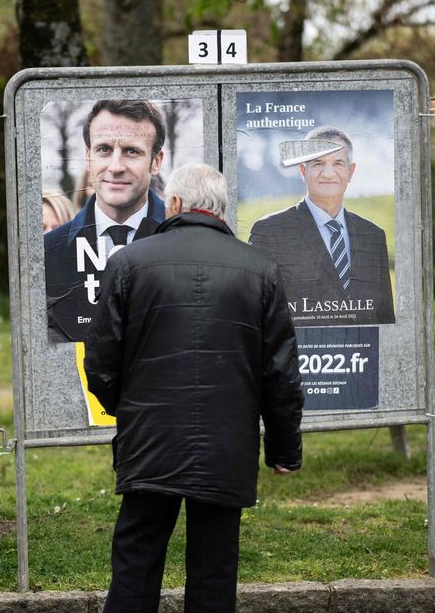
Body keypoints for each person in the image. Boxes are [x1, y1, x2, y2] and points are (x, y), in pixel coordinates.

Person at [84, 163, 304, 613]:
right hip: (227, 444)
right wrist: (284, 450)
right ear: (222, 210)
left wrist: (127, 410)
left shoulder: (128, 263)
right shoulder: (261, 270)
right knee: (214, 572)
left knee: (136, 564)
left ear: (176, 204)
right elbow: (280, 373)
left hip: (150, 438)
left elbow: (101, 360)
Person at [44, 100, 167, 341]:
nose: (115, 166)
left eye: (132, 151)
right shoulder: (49, 252)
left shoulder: (185, 240)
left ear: (156, 162)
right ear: (88, 157)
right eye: (104, 150)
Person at [249, 125, 395, 325]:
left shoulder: (373, 236)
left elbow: (384, 317)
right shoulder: (269, 232)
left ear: (350, 172)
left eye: (338, 163)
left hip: (361, 354)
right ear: (303, 170)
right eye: (318, 163)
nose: (328, 173)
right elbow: (255, 315)